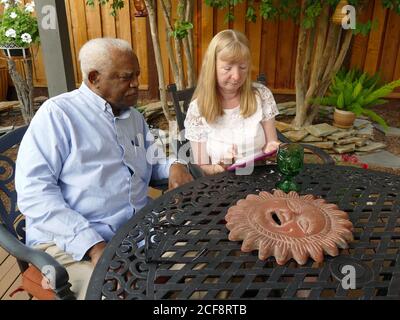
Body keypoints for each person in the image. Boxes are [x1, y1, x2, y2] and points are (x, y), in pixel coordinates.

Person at [15, 38, 193, 299]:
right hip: (68, 241)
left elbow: (152, 164)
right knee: (117, 293)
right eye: (125, 77)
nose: (136, 85)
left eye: (137, 76)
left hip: (134, 232)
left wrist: (176, 164)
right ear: (94, 77)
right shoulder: (58, 115)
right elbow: (35, 195)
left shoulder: (133, 116)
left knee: (200, 262)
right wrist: (94, 246)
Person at [184, 29, 280, 175]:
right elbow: (201, 168)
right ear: (212, 67)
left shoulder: (261, 96)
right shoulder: (198, 109)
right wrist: (220, 167)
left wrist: (272, 150)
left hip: (262, 177)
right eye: (227, 68)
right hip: (222, 185)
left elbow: (271, 144)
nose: (236, 76)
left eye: (242, 67)